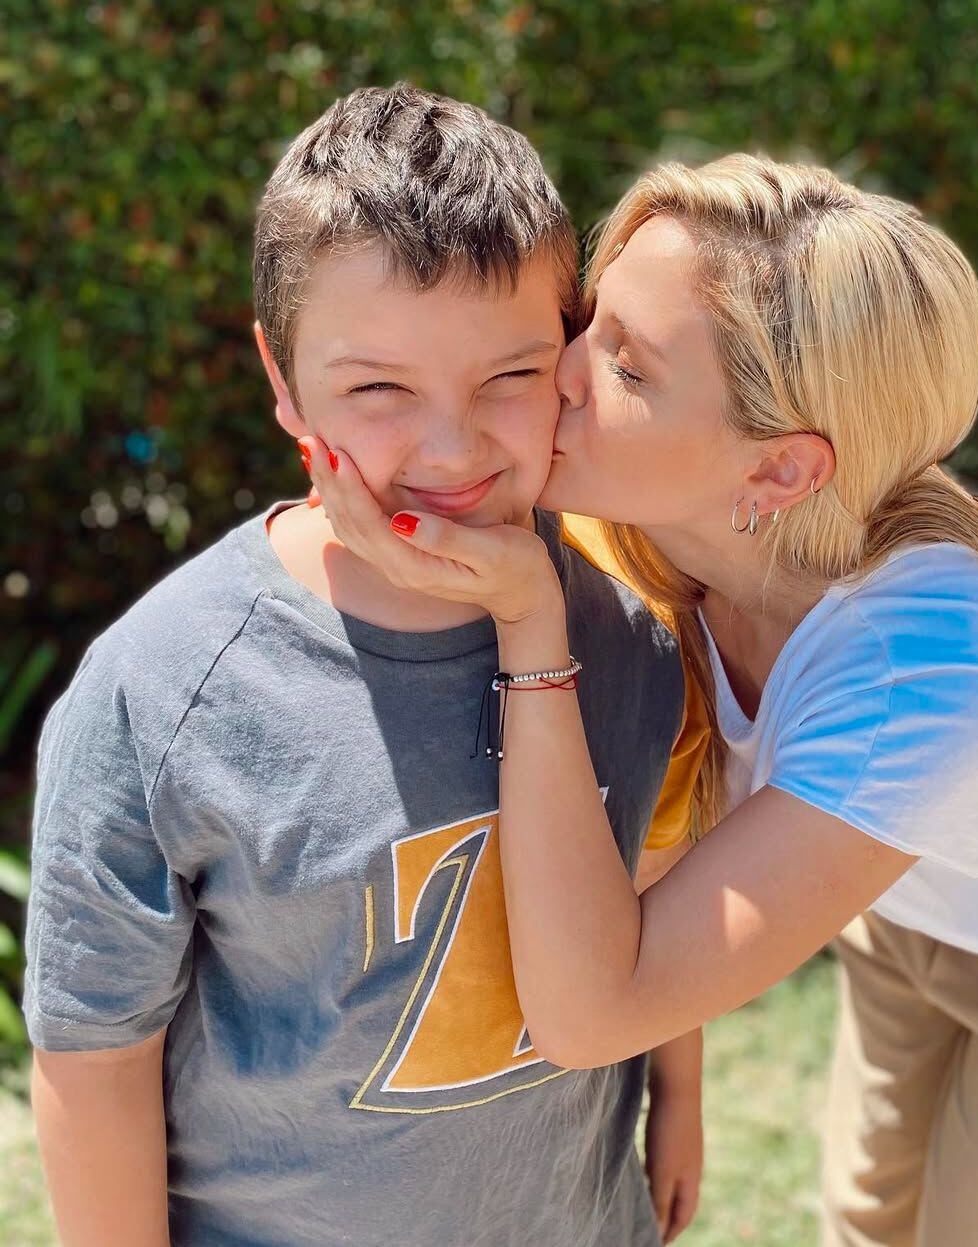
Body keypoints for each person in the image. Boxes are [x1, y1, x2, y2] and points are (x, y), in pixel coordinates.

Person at [303, 154, 978, 1247]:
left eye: (625, 367)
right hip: (899, 880)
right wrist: (680, 1086)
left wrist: (534, 629)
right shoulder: (633, 520)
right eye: (587, 323)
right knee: (868, 1215)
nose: (557, 373)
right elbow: (668, 824)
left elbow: (591, 1011)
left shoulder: (928, 669)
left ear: (777, 474)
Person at [23, 85, 704, 1247]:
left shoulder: (631, 632)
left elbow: (652, 878)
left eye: (509, 376)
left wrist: (680, 1097)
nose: (451, 448)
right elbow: (94, 1053)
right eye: (378, 389)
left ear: (575, 354)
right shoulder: (164, 690)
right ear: (281, 377)